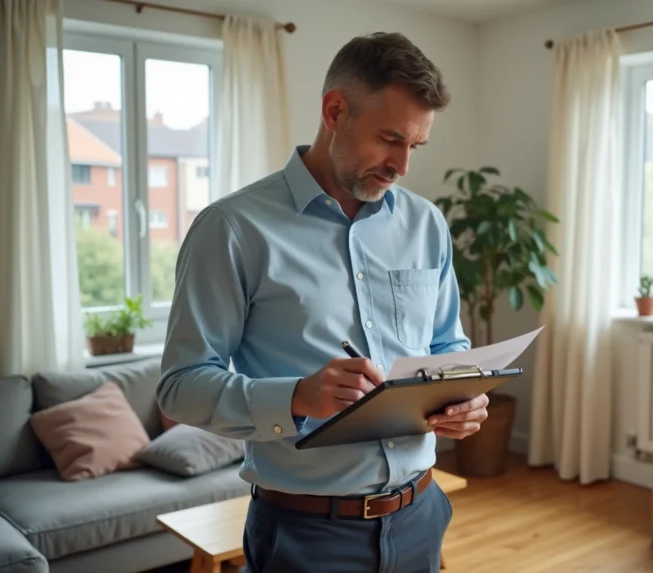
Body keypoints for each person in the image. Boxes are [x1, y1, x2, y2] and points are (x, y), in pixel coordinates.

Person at [157, 31, 489, 573]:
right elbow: (179, 388)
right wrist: (297, 397)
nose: (402, 165)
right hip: (304, 533)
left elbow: (447, 344)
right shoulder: (233, 228)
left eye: (415, 146)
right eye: (389, 139)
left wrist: (463, 397)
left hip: (421, 515)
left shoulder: (426, 223)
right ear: (335, 110)